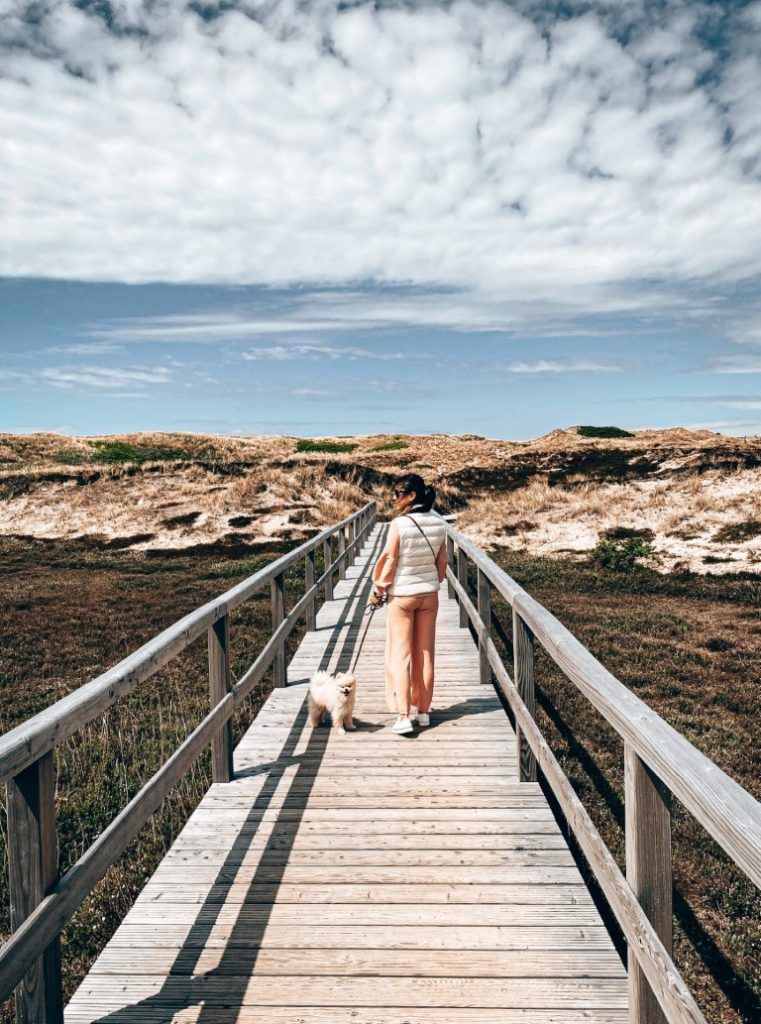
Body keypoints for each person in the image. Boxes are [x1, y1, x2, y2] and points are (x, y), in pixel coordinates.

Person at [370, 474, 448, 735]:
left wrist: (378, 589)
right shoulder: (439, 523)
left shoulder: (399, 525)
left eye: (398, 493)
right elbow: (441, 563)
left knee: (400, 654)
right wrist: (432, 581)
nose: (394, 498)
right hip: (429, 595)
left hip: (402, 596)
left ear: (412, 495)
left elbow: (390, 561)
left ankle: (403, 715)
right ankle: (423, 712)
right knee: (425, 654)